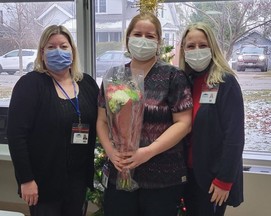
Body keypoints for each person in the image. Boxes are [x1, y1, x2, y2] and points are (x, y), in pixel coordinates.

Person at [96, 12, 193, 216]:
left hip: (163, 178)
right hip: (119, 172)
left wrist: (147, 152)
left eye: (150, 36)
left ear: (159, 41)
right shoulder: (114, 77)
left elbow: (183, 123)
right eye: (137, 34)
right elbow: (102, 121)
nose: (143, 40)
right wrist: (111, 152)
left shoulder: (173, 76)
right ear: (128, 38)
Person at [7, 25, 99, 216]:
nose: (58, 51)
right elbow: (16, 136)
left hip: (77, 182)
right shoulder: (30, 85)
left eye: (64, 46)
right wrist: (26, 180)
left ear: (73, 51)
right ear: (42, 52)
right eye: (51, 47)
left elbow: (102, 123)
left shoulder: (87, 83)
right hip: (42, 184)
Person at [178, 22, 245, 216]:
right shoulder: (184, 82)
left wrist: (224, 180)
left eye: (202, 45)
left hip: (213, 178)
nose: (196, 51)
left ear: (212, 48)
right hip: (186, 176)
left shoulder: (225, 83)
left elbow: (234, 137)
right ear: (183, 50)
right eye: (191, 46)